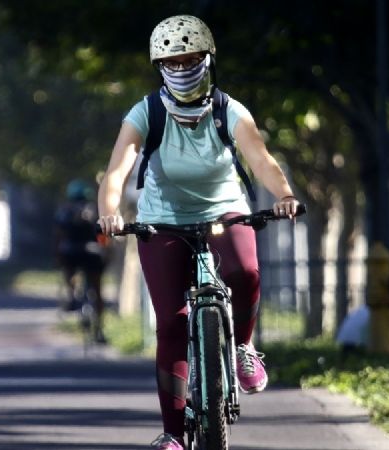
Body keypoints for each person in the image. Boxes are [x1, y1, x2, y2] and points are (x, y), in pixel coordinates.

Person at [96, 15, 301, 450]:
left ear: (208, 61)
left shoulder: (231, 110)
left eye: (191, 59)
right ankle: (172, 434)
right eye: (172, 61)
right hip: (162, 216)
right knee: (171, 325)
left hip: (224, 208)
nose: (182, 68)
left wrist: (283, 195)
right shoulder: (145, 113)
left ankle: (244, 348)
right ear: (159, 66)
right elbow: (116, 172)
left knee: (245, 273)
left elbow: (260, 160)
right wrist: (110, 213)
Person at [54, 179, 108, 344]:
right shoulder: (96, 209)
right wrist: (106, 251)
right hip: (93, 252)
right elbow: (103, 234)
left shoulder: (64, 210)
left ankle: (71, 295)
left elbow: (58, 235)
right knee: (97, 291)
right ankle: (99, 330)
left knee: (67, 267)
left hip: (71, 252)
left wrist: (57, 256)